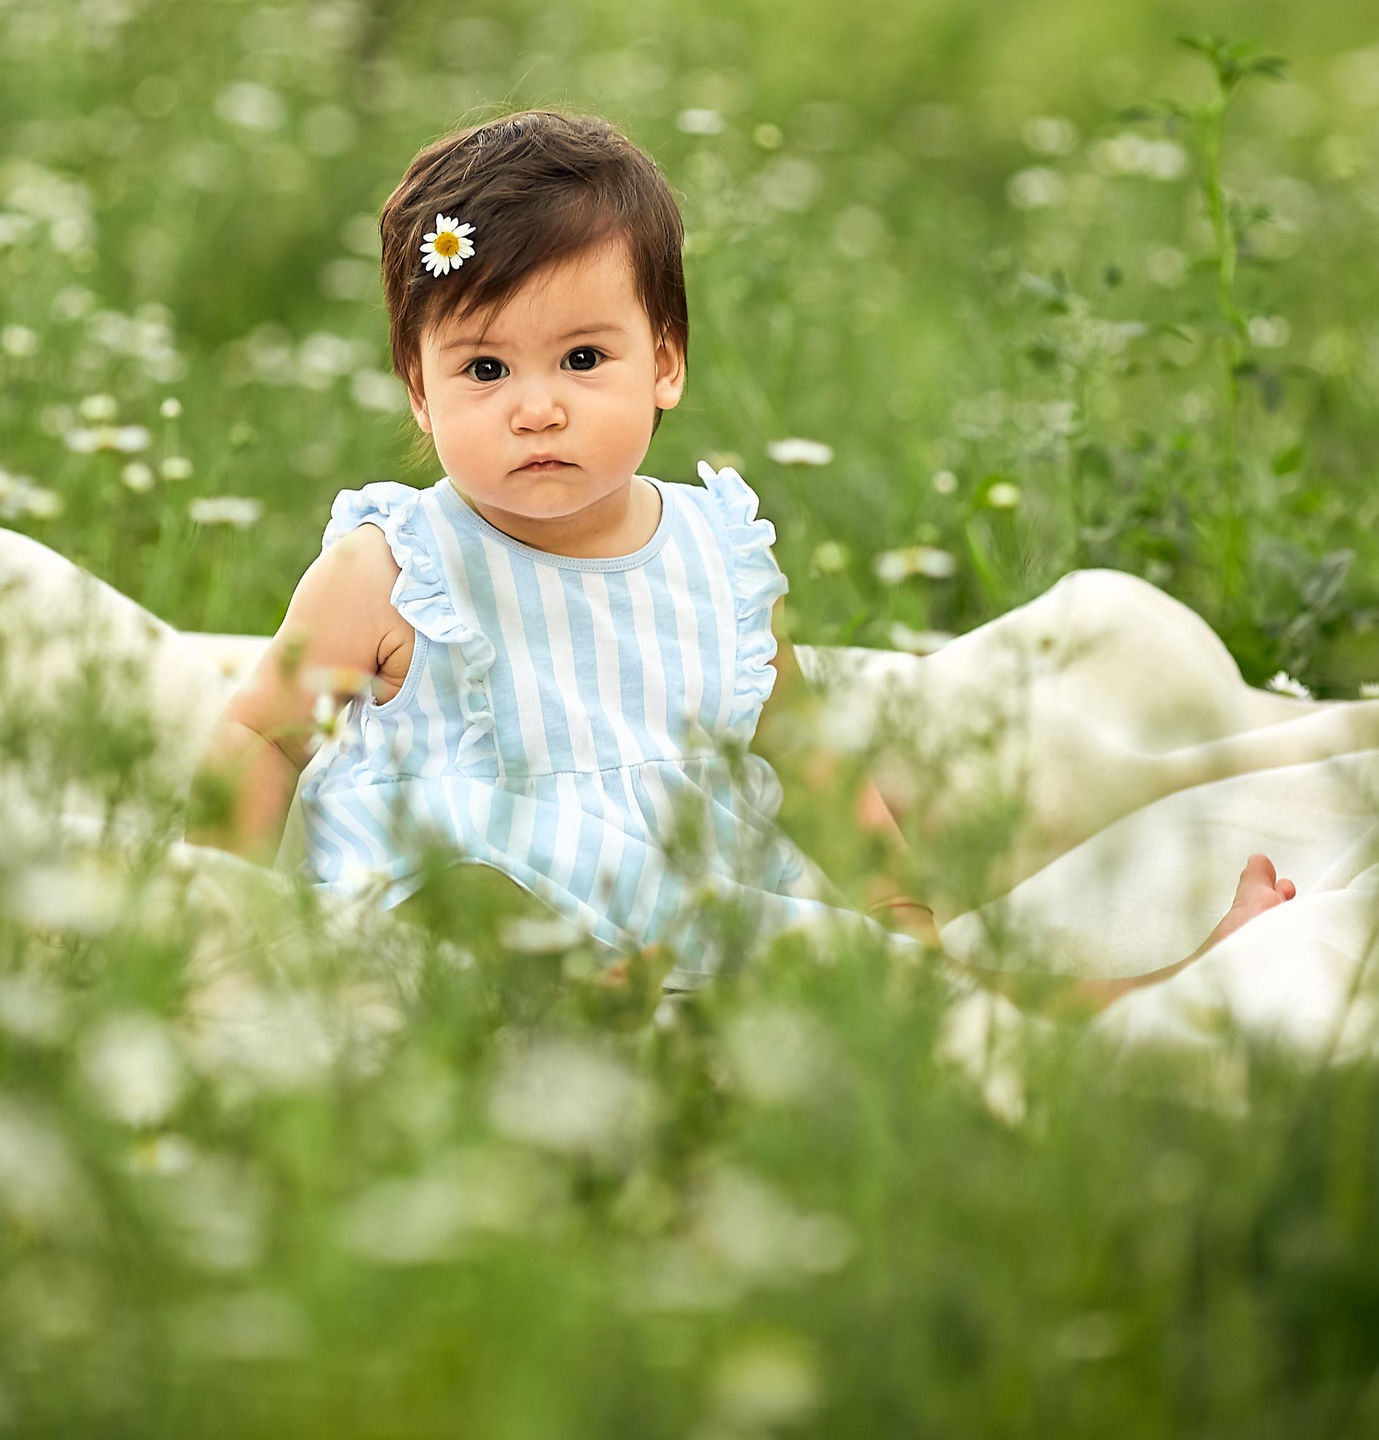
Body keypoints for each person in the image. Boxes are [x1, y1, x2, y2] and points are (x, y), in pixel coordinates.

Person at [186, 110, 1295, 1000]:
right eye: (484, 370)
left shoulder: (714, 561)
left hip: (687, 909)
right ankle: (556, 998)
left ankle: (1139, 990)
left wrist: (895, 913)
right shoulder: (395, 569)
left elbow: (806, 759)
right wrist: (212, 907)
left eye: (582, 358)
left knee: (891, 984)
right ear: (420, 394)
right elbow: (260, 732)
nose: (536, 407)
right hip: (462, 906)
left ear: (664, 364)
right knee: (459, 901)